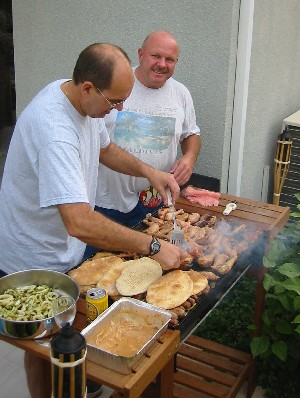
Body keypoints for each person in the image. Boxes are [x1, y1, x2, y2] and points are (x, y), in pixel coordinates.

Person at [0, 43, 186, 398]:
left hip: (63, 248)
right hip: (34, 257)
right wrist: (154, 245)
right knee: (42, 348)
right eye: (114, 102)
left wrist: (149, 172)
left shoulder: (79, 100)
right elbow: (80, 222)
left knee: (71, 336)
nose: (116, 110)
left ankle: (81, 382)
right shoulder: (55, 131)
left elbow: (105, 149)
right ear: (87, 87)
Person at [94, 30, 201, 228]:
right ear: (141, 54)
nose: (162, 64)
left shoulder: (181, 93)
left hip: (154, 203)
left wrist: (189, 159)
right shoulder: (117, 84)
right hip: (105, 204)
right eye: (156, 56)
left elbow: (191, 134)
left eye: (170, 59)